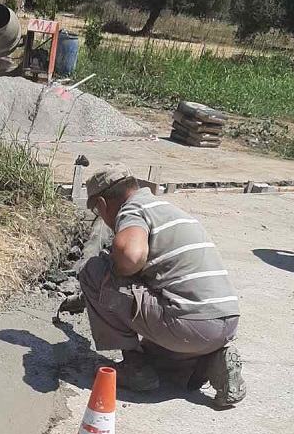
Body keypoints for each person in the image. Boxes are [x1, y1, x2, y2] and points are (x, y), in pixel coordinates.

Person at [71, 164, 246, 408]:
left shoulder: (132, 210)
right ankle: (213, 360)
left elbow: (131, 256)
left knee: (94, 271)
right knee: (156, 360)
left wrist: (110, 275)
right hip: (224, 322)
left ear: (101, 204)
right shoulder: (169, 210)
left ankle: (133, 366)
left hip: (189, 323)